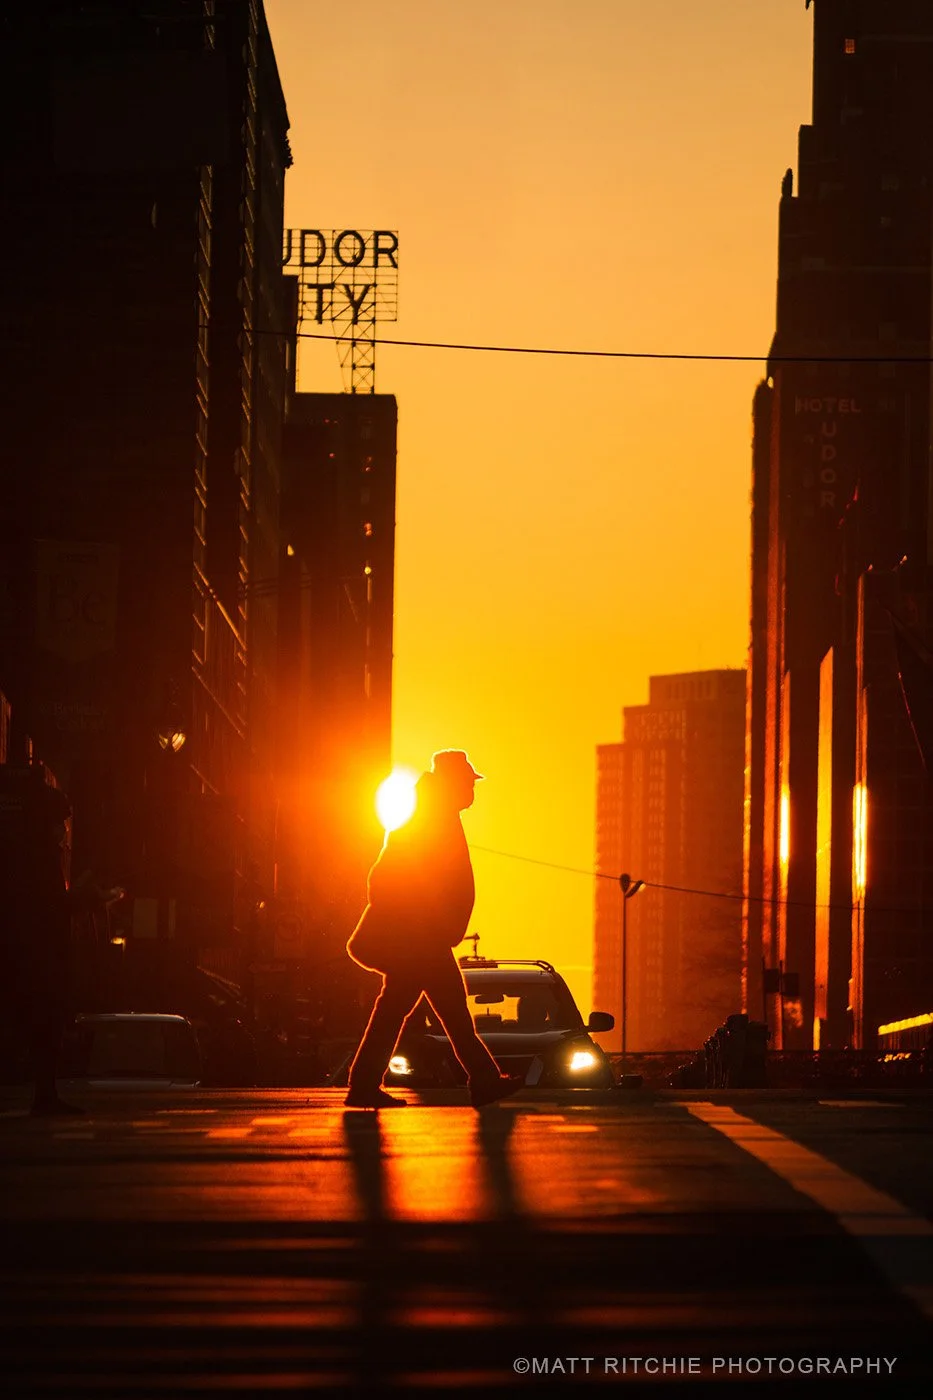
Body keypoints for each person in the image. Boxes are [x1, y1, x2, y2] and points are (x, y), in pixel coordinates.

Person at [345, 749, 522, 1109]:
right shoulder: (426, 821)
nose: (472, 790)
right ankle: (482, 1080)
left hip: (424, 939)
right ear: (451, 784)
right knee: (443, 1013)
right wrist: (419, 920)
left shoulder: (435, 817)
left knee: (410, 1010)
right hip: (420, 942)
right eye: (468, 782)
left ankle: (365, 1084)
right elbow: (382, 879)